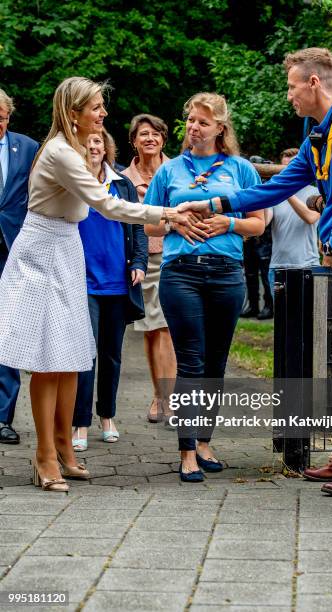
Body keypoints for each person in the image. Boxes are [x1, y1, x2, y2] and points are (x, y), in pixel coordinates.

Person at [181, 48, 332, 496]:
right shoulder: (319, 136)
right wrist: (216, 203)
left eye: (292, 86)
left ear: (314, 83)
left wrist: (331, 243)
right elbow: (275, 186)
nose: (289, 96)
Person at [0, 76, 192, 491]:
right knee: (47, 360)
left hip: (67, 247)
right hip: (41, 251)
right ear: (73, 113)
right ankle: (44, 457)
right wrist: (168, 214)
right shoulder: (59, 153)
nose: (103, 114)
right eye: (96, 108)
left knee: (71, 356)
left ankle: (66, 448)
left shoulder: (75, 150)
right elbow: (106, 203)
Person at [145, 92, 264, 482]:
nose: (194, 128)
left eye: (202, 122)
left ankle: (204, 441)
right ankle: (186, 451)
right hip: (182, 272)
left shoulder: (241, 169)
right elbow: (147, 224)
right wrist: (174, 221)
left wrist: (226, 222)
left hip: (227, 273)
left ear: (220, 128)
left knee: (216, 361)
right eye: (190, 121)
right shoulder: (169, 171)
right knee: (191, 361)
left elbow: (258, 223)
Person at [72, 129, 148, 450]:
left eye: (98, 141)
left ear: (106, 147)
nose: (94, 146)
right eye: (88, 141)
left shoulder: (122, 184)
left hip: (118, 281)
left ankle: (107, 416)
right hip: (82, 281)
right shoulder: (74, 182)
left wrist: (139, 263)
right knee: (85, 354)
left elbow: (138, 227)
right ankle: (80, 423)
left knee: (112, 355)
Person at [123, 114, 176, 424]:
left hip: (174, 258)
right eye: (143, 134)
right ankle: (159, 395)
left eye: (156, 134)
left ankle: (169, 400)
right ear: (134, 141)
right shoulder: (123, 178)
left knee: (168, 328)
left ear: (163, 139)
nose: (150, 139)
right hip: (143, 261)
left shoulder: (176, 171)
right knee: (150, 330)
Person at [0, 89, 39, 445]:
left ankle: (2, 417)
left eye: (0, 116)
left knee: (8, 331)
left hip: (13, 250)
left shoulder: (27, 148)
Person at [265, 147, 320, 297]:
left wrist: (285, 190)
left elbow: (310, 218)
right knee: (282, 320)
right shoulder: (276, 194)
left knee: (309, 319)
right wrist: (264, 190)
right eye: (284, 168)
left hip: (308, 265)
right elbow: (263, 222)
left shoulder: (315, 192)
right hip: (278, 267)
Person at [241, 225, 274, 320]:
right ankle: (253, 305)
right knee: (250, 273)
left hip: (265, 236)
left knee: (265, 274)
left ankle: (269, 306)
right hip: (249, 236)